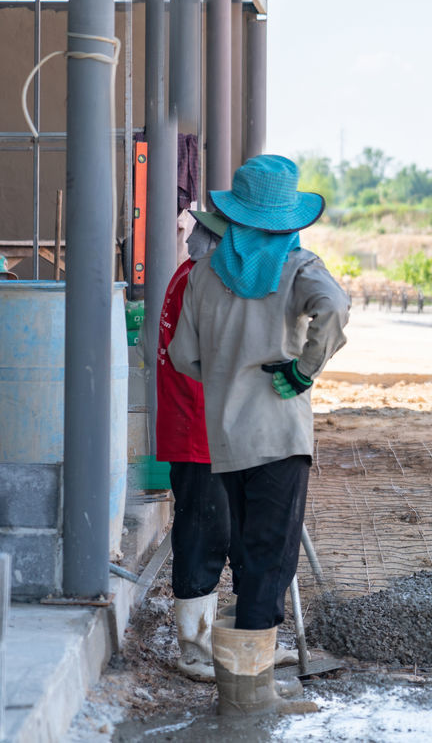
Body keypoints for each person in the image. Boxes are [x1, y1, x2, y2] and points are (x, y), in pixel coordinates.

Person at [170, 155, 349, 716]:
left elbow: (183, 356)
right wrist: (301, 371)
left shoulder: (202, 275)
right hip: (278, 439)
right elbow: (335, 309)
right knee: (270, 562)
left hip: (225, 442)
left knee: (251, 556)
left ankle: (245, 686)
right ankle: (249, 701)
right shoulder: (297, 268)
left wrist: (227, 381)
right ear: (284, 219)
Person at [157, 210, 231, 681]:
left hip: (202, 425)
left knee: (212, 531)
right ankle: (192, 647)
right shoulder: (199, 281)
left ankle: (207, 639)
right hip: (198, 428)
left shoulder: (191, 274)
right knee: (203, 535)